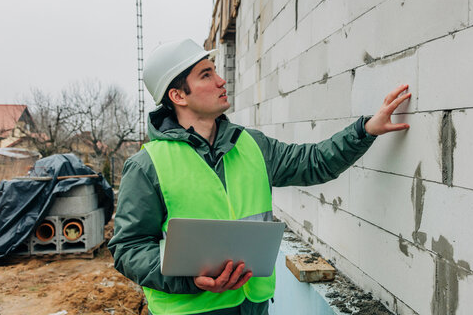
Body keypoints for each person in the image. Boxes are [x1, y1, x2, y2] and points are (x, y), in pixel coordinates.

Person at [108, 39, 411, 315]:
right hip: (191, 310)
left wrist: (365, 130)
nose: (220, 80)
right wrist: (188, 279)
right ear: (177, 95)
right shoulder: (148, 165)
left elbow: (314, 162)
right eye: (205, 75)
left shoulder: (251, 145)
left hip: (254, 306)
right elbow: (128, 248)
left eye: (215, 71)